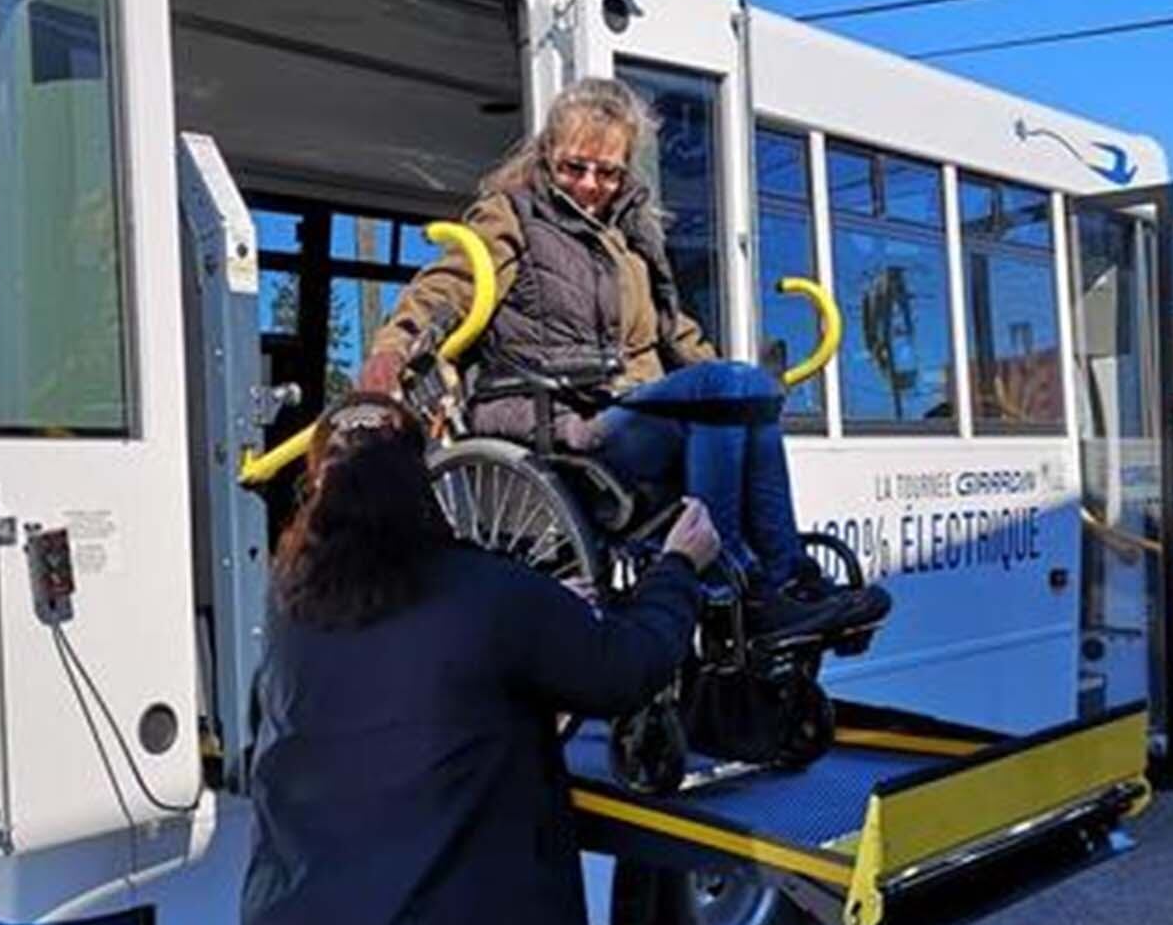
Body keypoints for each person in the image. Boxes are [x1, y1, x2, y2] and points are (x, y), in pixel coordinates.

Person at [242, 394, 718, 925]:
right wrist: (678, 569)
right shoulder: (495, 596)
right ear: (423, 479)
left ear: (317, 486)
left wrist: (539, 609)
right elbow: (625, 669)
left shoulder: (288, 605)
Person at [360, 77, 888, 644]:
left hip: (630, 401)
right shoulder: (509, 215)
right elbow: (449, 285)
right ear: (547, 155)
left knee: (745, 399)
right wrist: (394, 347)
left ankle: (788, 581)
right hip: (560, 412)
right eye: (574, 168)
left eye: (607, 173)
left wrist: (733, 385)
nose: (590, 185)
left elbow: (672, 328)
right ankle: (726, 585)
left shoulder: (630, 234)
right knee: (731, 393)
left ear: (625, 170)